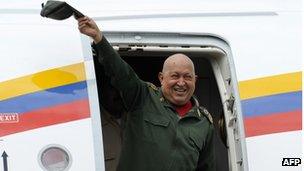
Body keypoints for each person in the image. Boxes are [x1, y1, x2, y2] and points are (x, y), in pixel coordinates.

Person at [78, 16, 215, 171]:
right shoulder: (143, 97)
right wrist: (98, 38)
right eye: (175, 76)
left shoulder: (204, 123)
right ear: (162, 78)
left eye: (187, 77)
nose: (181, 83)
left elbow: (206, 167)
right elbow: (121, 72)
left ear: (195, 80)